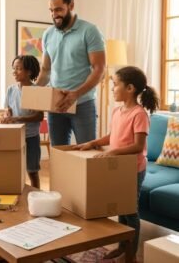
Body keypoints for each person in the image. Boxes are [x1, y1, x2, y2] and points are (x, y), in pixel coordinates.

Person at [73, 66, 159, 261]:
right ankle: (122, 246)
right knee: (121, 208)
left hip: (133, 169)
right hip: (118, 167)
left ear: (129, 88)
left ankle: (131, 255)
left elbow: (138, 146)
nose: (112, 88)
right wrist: (93, 143)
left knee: (130, 210)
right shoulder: (117, 111)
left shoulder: (139, 114)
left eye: (115, 84)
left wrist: (113, 152)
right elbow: (112, 136)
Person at [36, 0, 106, 146]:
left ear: (71, 5)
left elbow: (99, 69)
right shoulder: (48, 34)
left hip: (83, 104)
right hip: (56, 105)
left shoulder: (90, 31)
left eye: (59, 9)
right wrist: (33, 91)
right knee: (58, 153)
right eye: (51, 10)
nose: (54, 15)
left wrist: (76, 94)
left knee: (87, 153)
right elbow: (46, 70)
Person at [2, 55, 44, 189]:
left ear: (29, 72)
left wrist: (17, 118)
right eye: (13, 68)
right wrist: (7, 114)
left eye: (18, 69)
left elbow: (39, 116)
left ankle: (36, 196)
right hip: (15, 136)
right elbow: (7, 109)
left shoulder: (36, 91)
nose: (14, 72)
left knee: (32, 171)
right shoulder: (11, 90)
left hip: (31, 137)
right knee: (14, 171)